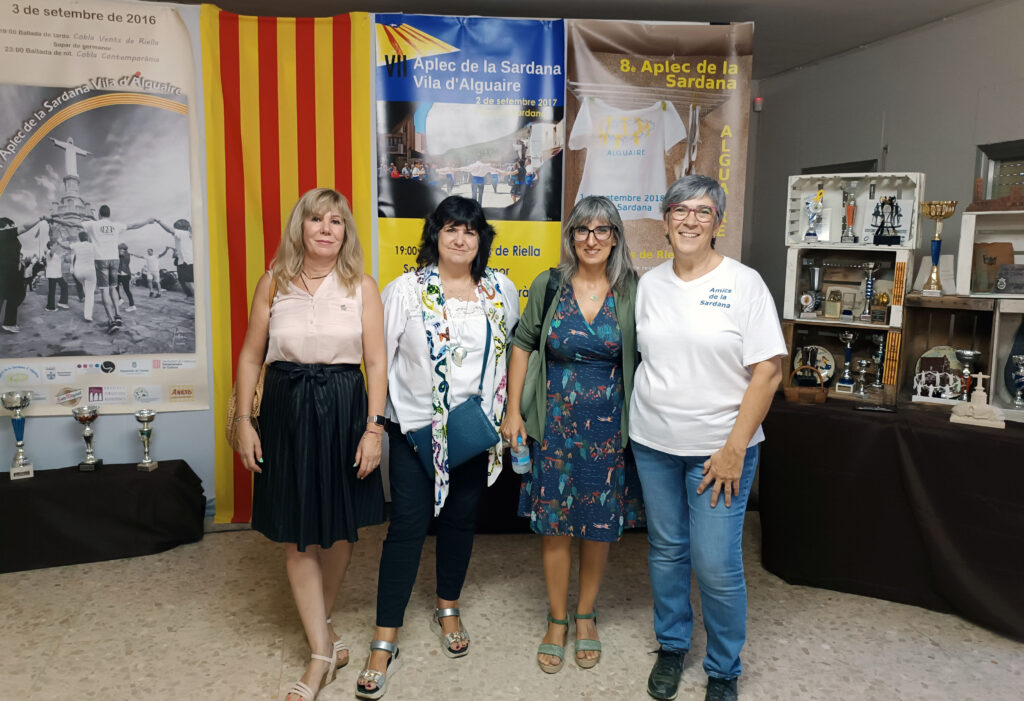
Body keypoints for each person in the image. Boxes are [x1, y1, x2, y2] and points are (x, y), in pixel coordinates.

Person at [356, 196, 519, 699]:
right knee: (407, 527)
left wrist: (508, 413)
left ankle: (447, 606)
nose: (460, 239)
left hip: (472, 433)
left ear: (481, 238)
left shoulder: (501, 290)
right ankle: (385, 638)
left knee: (461, 520)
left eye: (470, 230)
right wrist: (377, 426)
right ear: (436, 235)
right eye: (451, 229)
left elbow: (511, 355)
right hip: (415, 432)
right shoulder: (404, 291)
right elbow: (378, 361)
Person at [631, 175, 785, 701]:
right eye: (680, 209)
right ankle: (673, 644)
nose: (690, 220)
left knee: (716, 565)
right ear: (665, 219)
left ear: (717, 222)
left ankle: (723, 669)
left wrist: (734, 449)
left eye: (702, 211)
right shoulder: (649, 285)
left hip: (721, 449)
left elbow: (768, 372)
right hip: (654, 442)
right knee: (667, 550)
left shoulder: (745, 284)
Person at [232, 188, 387, 701]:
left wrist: (373, 429)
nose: (325, 228)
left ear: (346, 232)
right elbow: (251, 356)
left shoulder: (362, 286)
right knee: (298, 534)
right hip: (285, 409)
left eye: (336, 221)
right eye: (316, 219)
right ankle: (322, 652)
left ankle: (321, 631)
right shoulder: (273, 281)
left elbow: (376, 363)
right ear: (300, 226)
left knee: (339, 528)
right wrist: (245, 422)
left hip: (344, 408)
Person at [501, 195, 644, 673]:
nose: (591, 239)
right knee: (555, 525)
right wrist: (513, 412)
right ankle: (557, 619)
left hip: (607, 429)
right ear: (571, 236)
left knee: (598, 525)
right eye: (583, 229)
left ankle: (586, 615)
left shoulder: (632, 289)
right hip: (555, 425)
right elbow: (522, 343)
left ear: (615, 238)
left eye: (602, 230)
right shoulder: (550, 284)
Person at [81, 205, 148, 333]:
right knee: (113, 288)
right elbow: (134, 225)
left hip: (101, 260)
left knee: (105, 291)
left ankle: (111, 321)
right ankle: (118, 316)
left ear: (99, 214)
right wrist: (148, 221)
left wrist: (53, 220)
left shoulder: (93, 224)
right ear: (109, 214)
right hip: (114, 260)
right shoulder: (116, 225)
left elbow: (71, 224)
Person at [154, 218, 195, 299]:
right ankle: (193, 297)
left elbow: (170, 230)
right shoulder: (188, 234)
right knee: (188, 281)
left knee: (189, 282)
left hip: (186, 261)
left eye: (176, 228)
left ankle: (195, 298)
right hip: (187, 261)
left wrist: (159, 221)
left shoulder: (183, 233)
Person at [70, 231, 98, 323]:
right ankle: (88, 316)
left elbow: (66, 247)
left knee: (85, 287)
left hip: (78, 272)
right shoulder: (93, 245)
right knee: (90, 294)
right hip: (89, 271)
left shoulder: (75, 245)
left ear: (79, 238)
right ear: (87, 238)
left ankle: (85, 295)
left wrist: (58, 242)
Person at [44, 240, 72, 312]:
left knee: (64, 286)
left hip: (57, 274)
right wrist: (58, 244)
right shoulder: (48, 252)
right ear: (50, 246)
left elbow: (57, 258)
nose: (56, 247)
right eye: (54, 245)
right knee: (52, 291)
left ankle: (62, 302)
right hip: (52, 275)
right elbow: (51, 253)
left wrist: (64, 254)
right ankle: (49, 307)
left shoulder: (55, 254)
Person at [115, 243, 136, 311]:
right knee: (115, 286)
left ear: (122, 249)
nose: (118, 250)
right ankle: (120, 299)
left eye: (119, 248)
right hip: (121, 274)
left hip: (125, 274)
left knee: (126, 290)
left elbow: (118, 255)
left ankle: (132, 305)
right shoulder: (127, 254)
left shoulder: (122, 254)